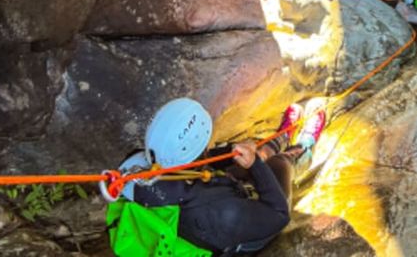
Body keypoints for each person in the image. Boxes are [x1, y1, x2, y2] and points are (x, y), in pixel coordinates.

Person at [120, 97, 327, 256]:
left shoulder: (135, 169)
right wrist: (256, 165)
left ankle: (278, 139)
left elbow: (203, 162)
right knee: (278, 164)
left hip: (192, 222)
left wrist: (239, 155)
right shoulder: (225, 212)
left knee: (245, 161)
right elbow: (279, 215)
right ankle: (304, 146)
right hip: (233, 235)